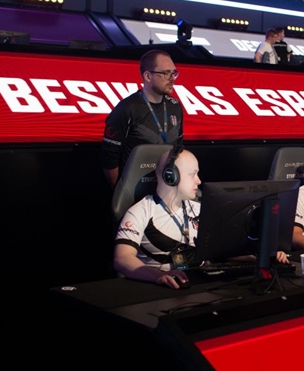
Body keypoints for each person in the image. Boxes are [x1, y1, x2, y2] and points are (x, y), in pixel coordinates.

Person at [113, 148, 289, 289]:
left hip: (200, 284)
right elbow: (122, 259)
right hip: (162, 290)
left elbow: (222, 251)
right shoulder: (141, 211)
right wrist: (159, 276)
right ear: (171, 176)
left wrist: (264, 255)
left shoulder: (200, 208)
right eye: (193, 174)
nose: (198, 180)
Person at [100, 49, 184, 188]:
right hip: (134, 189)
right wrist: (122, 192)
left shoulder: (175, 106)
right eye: (166, 73)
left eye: (174, 73)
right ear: (148, 76)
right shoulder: (126, 109)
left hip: (166, 187)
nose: (172, 78)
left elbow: (179, 148)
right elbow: (109, 159)